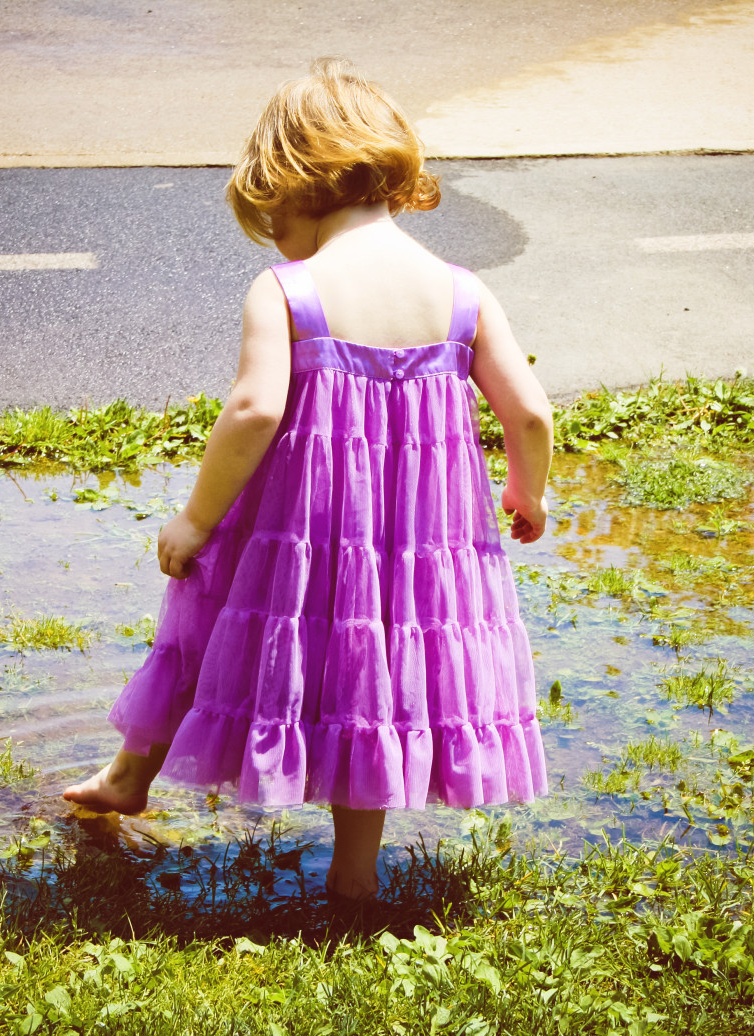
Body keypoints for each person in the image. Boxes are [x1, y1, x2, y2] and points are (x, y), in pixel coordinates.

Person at [65, 59, 553, 900]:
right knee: (374, 681)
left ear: (297, 187)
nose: (272, 240)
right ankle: (355, 873)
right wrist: (526, 492)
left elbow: (255, 410)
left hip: (291, 531)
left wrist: (193, 518)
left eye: (272, 219)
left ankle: (127, 773)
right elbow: (532, 415)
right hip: (409, 550)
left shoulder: (289, 292)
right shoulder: (464, 295)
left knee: (201, 620)